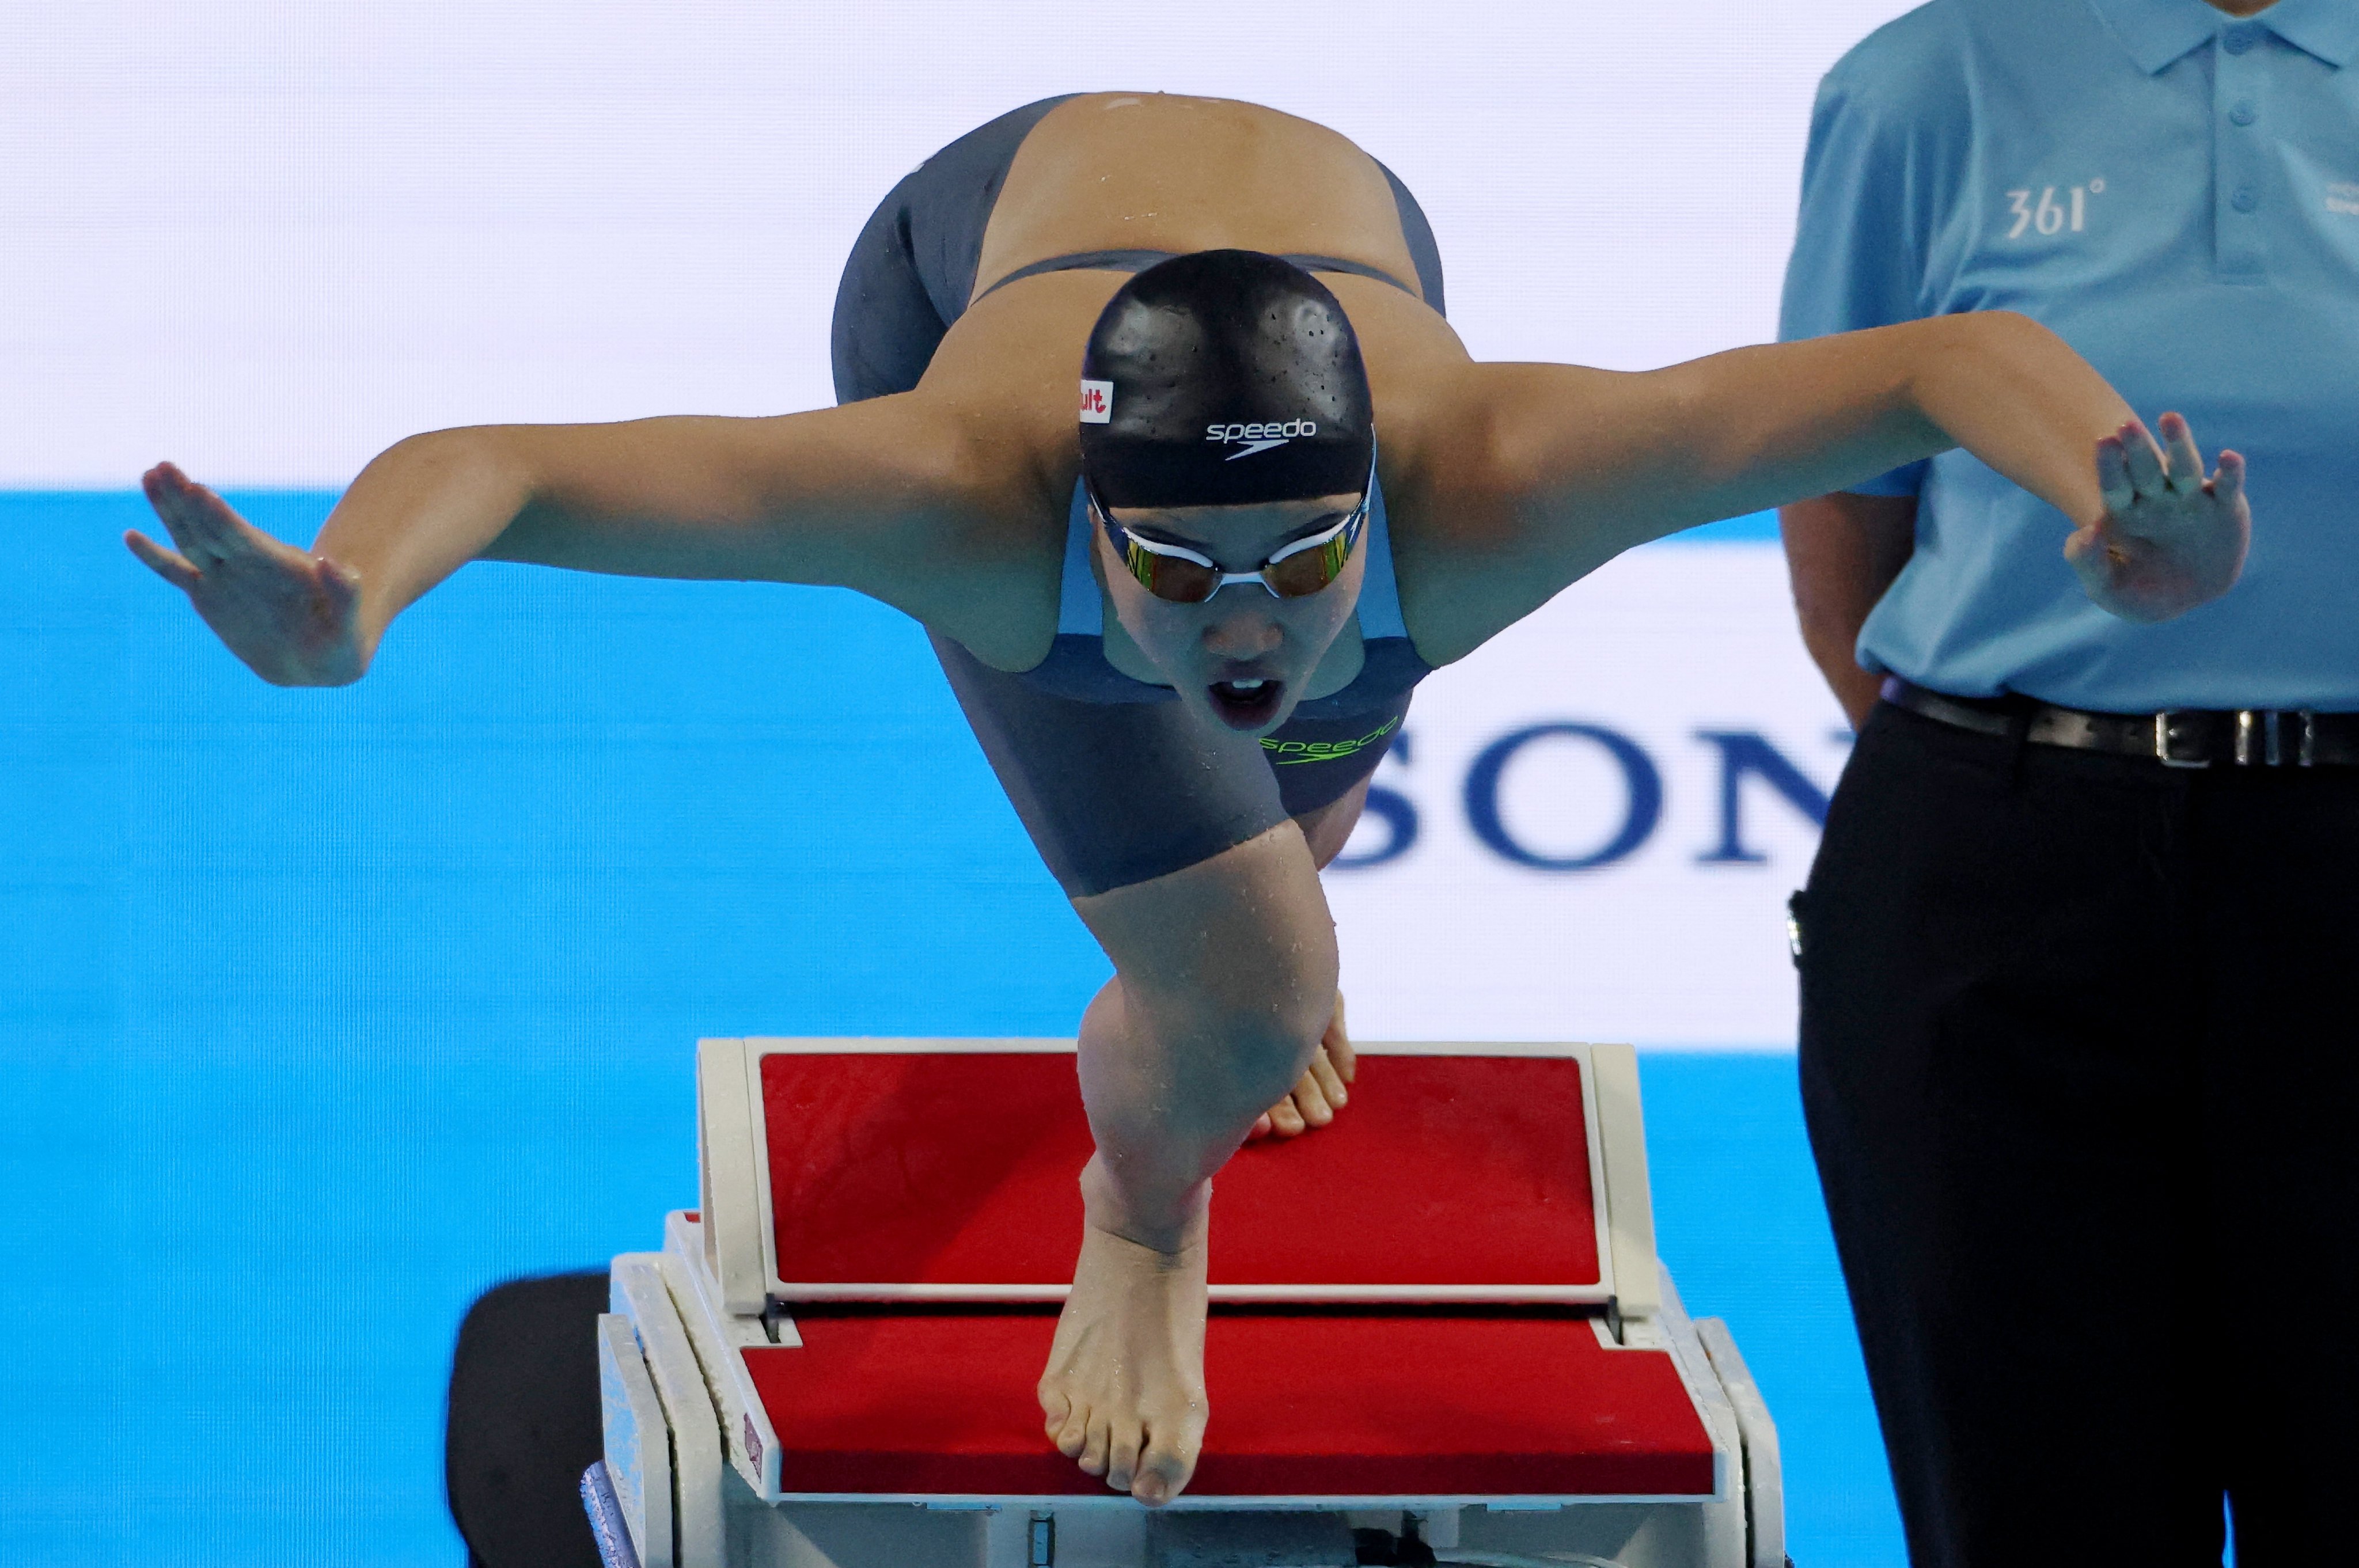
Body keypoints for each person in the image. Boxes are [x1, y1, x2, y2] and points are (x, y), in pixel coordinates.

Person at [130, 92, 2244, 1520]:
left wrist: (2111, 509)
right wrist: (352, 598)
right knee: (1252, 971)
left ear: (1375, 513)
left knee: (1253, 870)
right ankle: (1139, 1212)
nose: (1247, 629)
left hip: (1351, 231)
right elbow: (511, 458)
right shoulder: (959, 499)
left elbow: (1951, 354)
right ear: (1086, 520)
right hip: (980, 243)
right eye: (1178, 576)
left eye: (1300, 569)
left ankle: (1221, 976)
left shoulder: (1500, 486)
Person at [1776, 0, 2355, 1561]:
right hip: (2004, 875)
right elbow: (1842, 508)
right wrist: (2032, 770)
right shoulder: (1923, 83)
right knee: (2028, 1515)